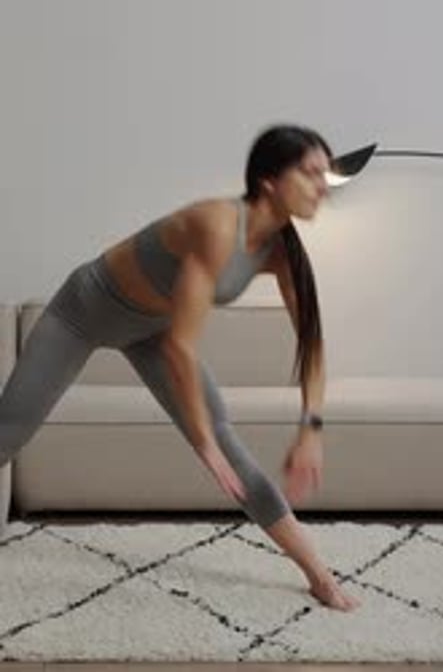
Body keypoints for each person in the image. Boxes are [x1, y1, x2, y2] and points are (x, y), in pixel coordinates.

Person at [0, 123, 361, 612]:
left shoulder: (283, 251)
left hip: (152, 330)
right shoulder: (215, 226)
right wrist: (202, 441)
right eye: (311, 171)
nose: (323, 185)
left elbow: (312, 346)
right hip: (81, 315)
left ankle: (318, 575)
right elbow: (182, 349)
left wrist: (311, 429)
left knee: (236, 457)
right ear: (270, 181)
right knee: (9, 432)